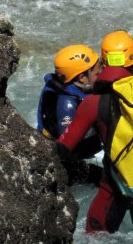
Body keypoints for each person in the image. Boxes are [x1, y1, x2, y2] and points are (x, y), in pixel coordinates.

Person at [56, 30, 133, 233]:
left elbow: (65, 148)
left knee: (95, 242)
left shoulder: (94, 102)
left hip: (113, 189)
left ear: (103, 62)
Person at [37, 44, 103, 186]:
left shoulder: (68, 89)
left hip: (63, 157)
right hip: (63, 165)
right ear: (82, 78)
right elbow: (68, 149)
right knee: (108, 182)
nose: (101, 75)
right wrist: (104, 140)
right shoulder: (67, 103)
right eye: (97, 73)